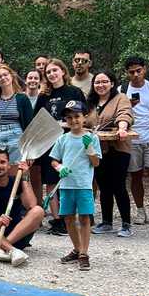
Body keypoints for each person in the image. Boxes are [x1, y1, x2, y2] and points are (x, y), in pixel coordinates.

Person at [35, 58, 87, 236]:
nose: (51, 74)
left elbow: (83, 114)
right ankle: (58, 220)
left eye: (54, 70)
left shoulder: (74, 91)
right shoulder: (44, 96)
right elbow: (38, 119)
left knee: (71, 179)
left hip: (71, 140)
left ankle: (71, 217)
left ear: (63, 72)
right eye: (48, 72)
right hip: (50, 142)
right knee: (51, 181)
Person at [50, 101, 102, 270]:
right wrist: (60, 167)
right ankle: (77, 249)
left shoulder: (92, 138)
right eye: (69, 117)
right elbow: (54, 160)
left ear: (84, 117)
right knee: (69, 218)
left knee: (85, 218)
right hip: (66, 185)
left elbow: (95, 163)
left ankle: (84, 253)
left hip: (84, 185)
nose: (73, 120)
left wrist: (89, 148)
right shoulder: (63, 139)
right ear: (66, 120)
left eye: (77, 116)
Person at [85, 71, 134, 237]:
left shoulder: (121, 98)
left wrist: (122, 128)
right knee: (103, 185)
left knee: (118, 185)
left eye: (104, 81)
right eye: (97, 82)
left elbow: (124, 114)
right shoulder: (90, 103)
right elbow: (85, 121)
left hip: (118, 147)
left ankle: (126, 223)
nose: (100, 85)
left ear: (112, 83)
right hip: (98, 149)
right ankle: (107, 222)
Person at [121, 56, 149, 226]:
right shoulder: (122, 89)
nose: (136, 74)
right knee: (135, 175)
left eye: (138, 71)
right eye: (131, 72)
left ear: (144, 70)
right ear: (127, 73)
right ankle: (140, 210)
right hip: (132, 137)